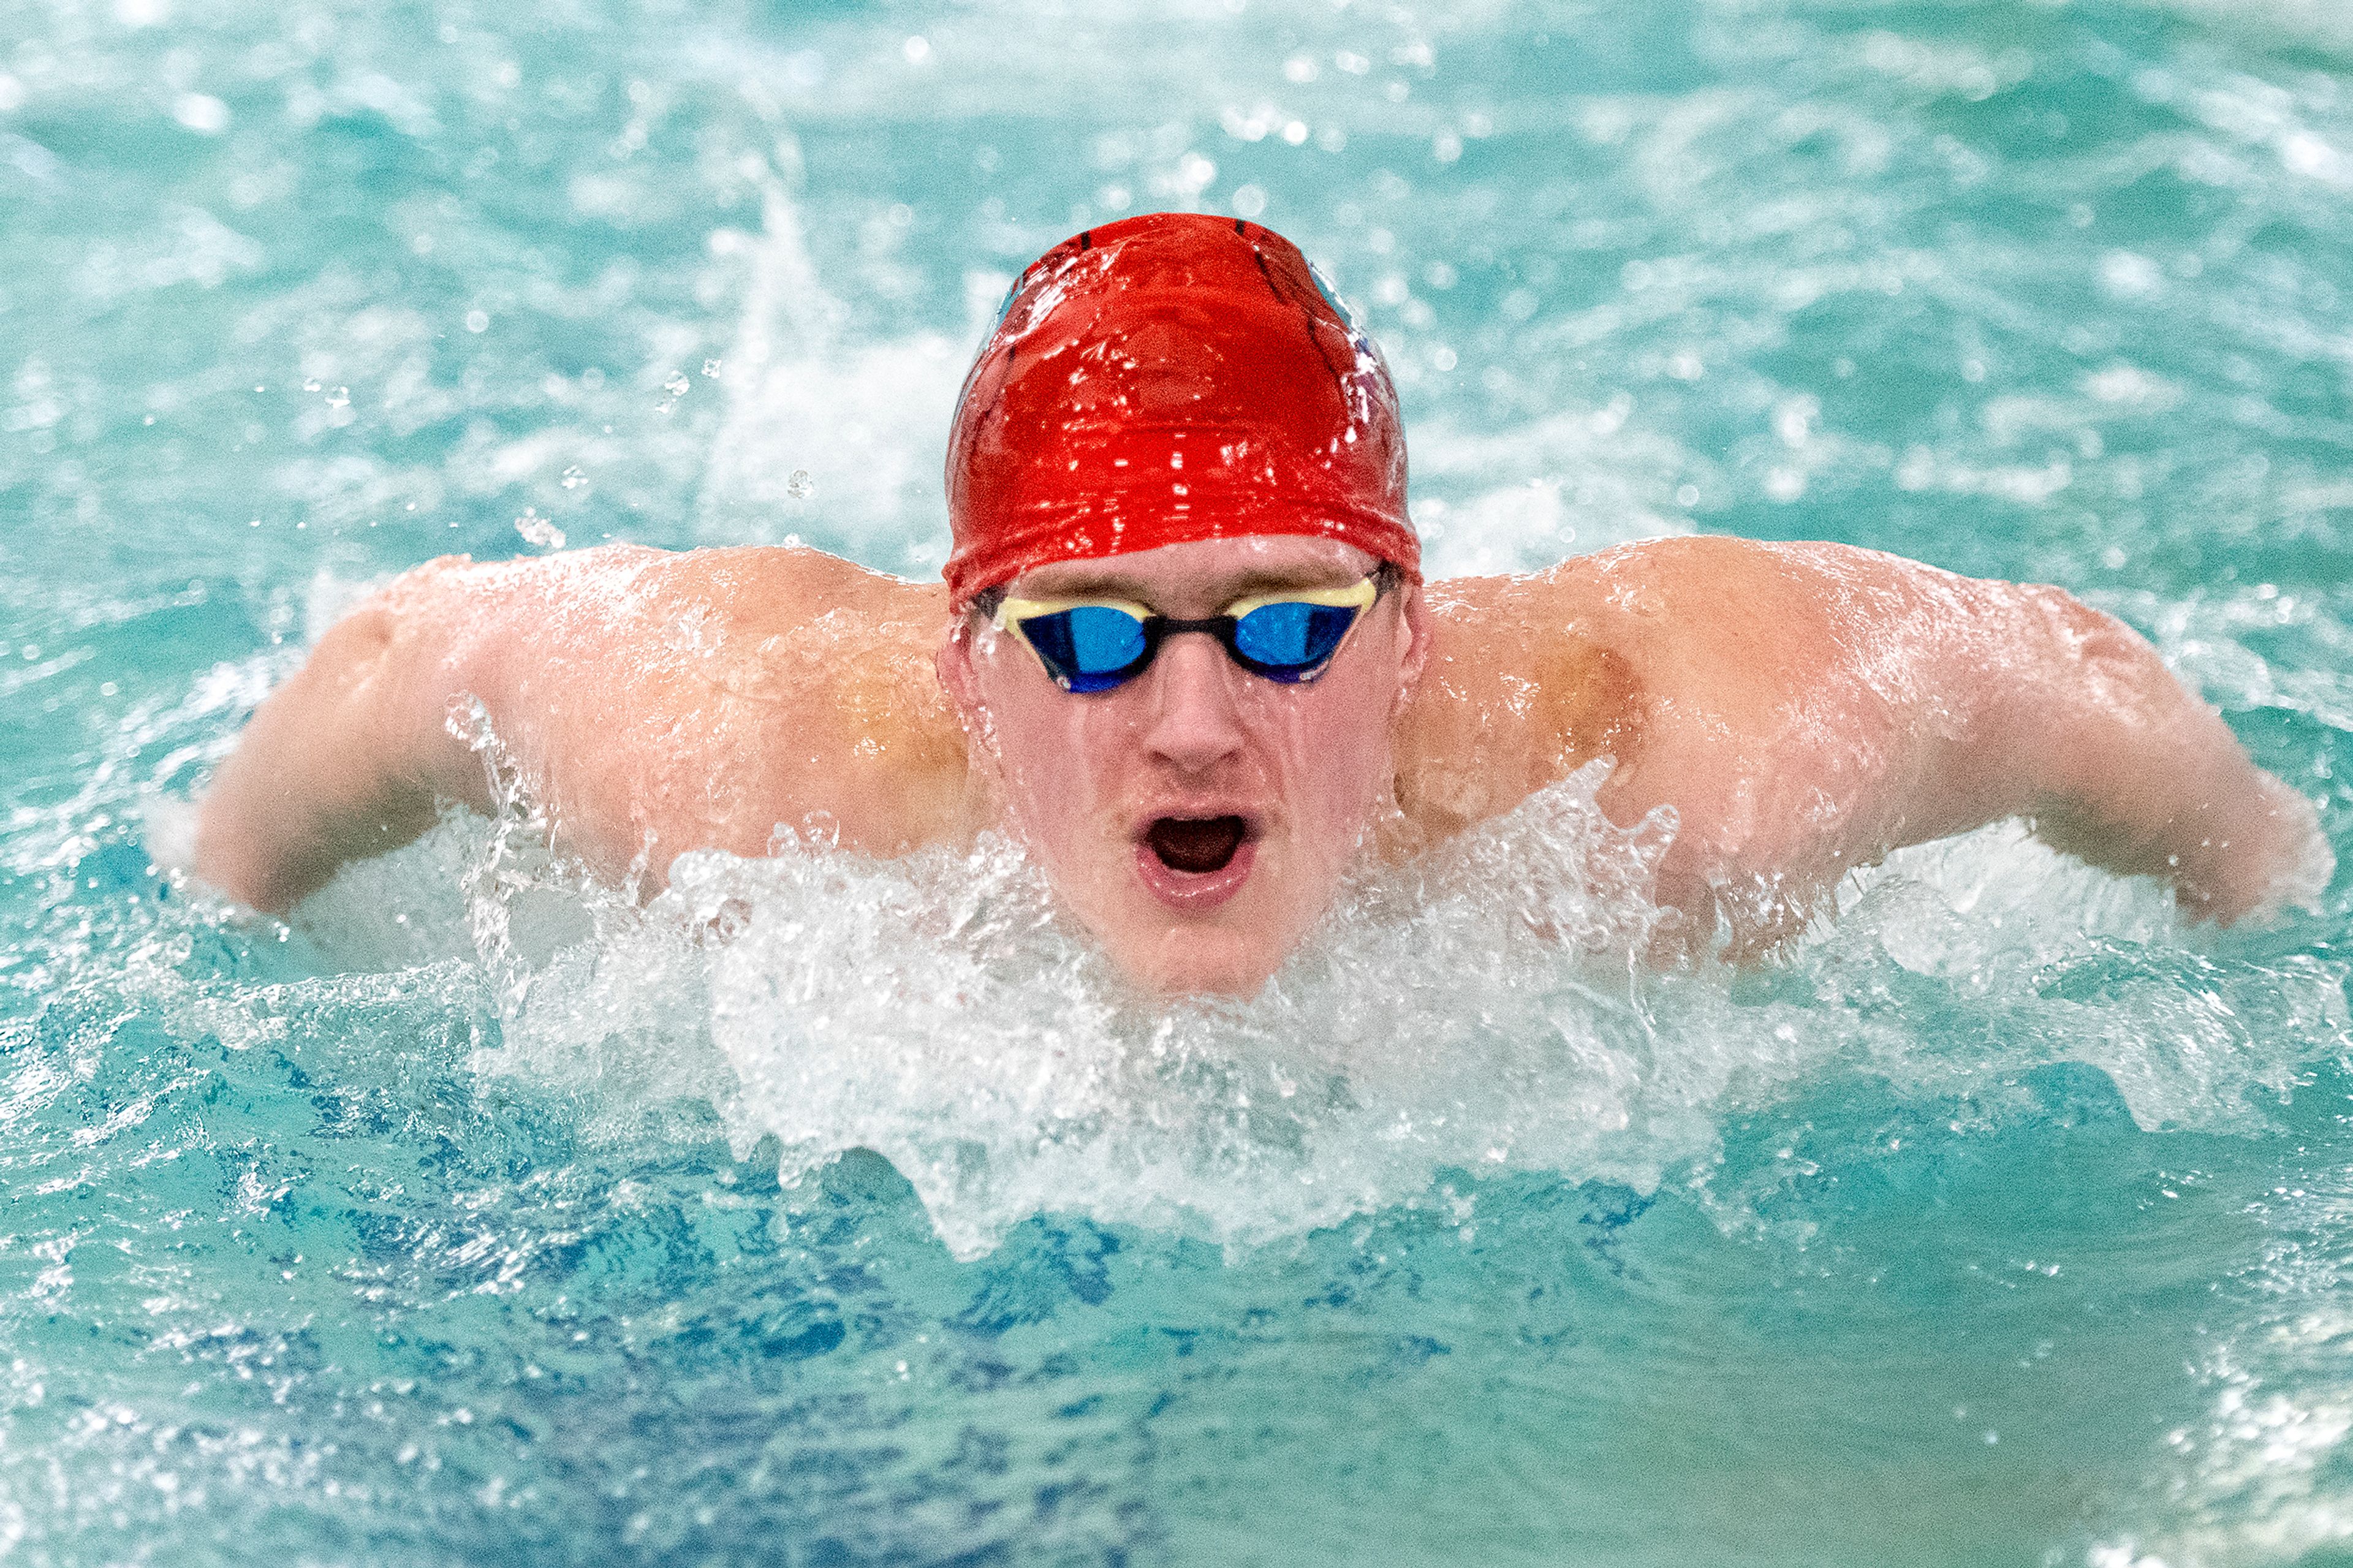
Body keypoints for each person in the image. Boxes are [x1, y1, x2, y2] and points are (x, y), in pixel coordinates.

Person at [192, 213, 2328, 994]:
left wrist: (2270, 900)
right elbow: (408, 662)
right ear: (968, 667)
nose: (1194, 721)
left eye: (1287, 625)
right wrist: (225, 913)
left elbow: (2082, 685)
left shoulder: (1699, 760)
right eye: (1097, 635)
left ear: (1414, 629)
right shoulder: (752, 764)